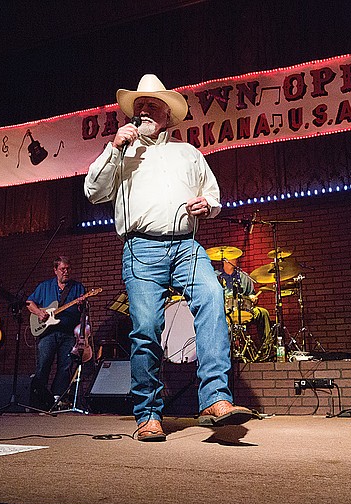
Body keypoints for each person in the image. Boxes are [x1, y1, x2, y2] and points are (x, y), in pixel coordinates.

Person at [84, 73, 255, 441]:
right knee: (145, 329)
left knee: (212, 297)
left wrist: (206, 205)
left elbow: (214, 197)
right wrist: (114, 149)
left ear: (167, 114)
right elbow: (93, 192)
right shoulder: (121, 152)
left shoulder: (187, 153)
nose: (144, 110)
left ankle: (214, 399)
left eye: (152, 105)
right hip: (140, 248)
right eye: (139, 105)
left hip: (185, 246)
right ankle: (148, 414)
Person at [26, 256, 87, 406]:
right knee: (43, 364)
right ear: (55, 270)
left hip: (68, 333)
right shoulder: (44, 286)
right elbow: (29, 303)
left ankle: (57, 398)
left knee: (65, 366)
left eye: (68, 269)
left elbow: (83, 310)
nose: (66, 272)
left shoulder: (78, 287)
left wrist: (81, 304)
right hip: (47, 333)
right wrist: (40, 313)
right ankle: (38, 397)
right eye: (62, 269)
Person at [216, 256, 272, 352]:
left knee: (263, 313)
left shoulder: (244, 276)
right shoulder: (216, 276)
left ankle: (267, 350)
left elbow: (251, 295)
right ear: (225, 261)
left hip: (243, 310)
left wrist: (252, 297)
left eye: (236, 257)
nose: (236, 260)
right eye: (233, 257)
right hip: (224, 311)